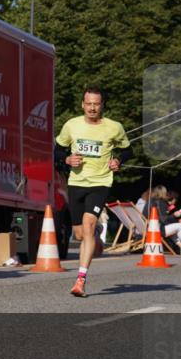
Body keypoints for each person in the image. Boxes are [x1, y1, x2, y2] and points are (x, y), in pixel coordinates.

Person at [55, 86, 131, 297]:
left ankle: (80, 280)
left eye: (96, 104)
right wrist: (67, 159)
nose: (92, 108)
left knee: (87, 227)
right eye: (88, 104)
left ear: (102, 105)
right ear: (82, 104)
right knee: (80, 234)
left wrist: (118, 160)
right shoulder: (72, 125)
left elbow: (127, 150)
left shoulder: (114, 127)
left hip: (100, 183)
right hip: (77, 182)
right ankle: (95, 234)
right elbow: (58, 149)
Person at [145, 185, 181, 256]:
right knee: (179, 226)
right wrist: (174, 215)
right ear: (163, 193)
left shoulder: (150, 201)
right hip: (157, 229)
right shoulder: (161, 202)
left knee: (174, 228)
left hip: (148, 228)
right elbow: (163, 219)